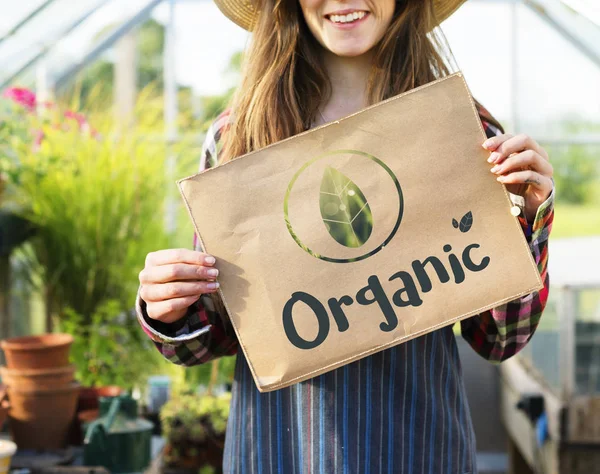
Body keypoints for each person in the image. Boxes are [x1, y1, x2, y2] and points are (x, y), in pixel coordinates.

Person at [136, 1, 554, 472]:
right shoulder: (239, 137)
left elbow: (498, 339)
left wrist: (528, 219)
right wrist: (169, 307)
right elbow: (216, 336)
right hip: (282, 451)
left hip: (417, 450)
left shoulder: (463, 131)